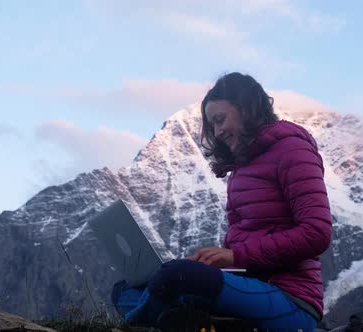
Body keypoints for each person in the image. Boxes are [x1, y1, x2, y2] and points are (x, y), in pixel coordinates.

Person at [112, 72, 332, 331]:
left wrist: (235, 255)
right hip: (248, 284)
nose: (217, 132)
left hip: (291, 300)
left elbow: (317, 232)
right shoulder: (241, 168)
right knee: (126, 288)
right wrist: (217, 259)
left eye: (220, 120)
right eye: (212, 125)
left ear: (246, 108)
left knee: (175, 277)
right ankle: (184, 321)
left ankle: (156, 322)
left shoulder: (293, 150)